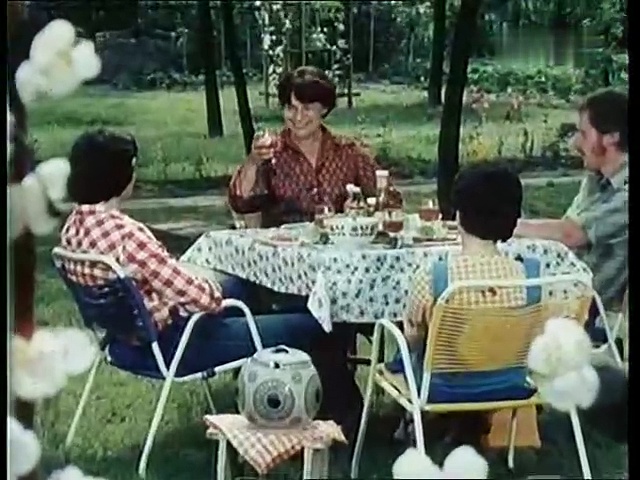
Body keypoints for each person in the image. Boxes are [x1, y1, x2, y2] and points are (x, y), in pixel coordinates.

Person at [59, 129, 327, 377]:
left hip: (122, 341)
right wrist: (210, 289)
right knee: (312, 324)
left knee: (242, 286)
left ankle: (255, 380)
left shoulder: (73, 227)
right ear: (122, 174)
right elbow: (202, 301)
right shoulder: (127, 235)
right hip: (174, 346)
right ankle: (331, 401)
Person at [388, 164, 542, 449]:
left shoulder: (435, 277)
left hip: (444, 385)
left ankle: (419, 425)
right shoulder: (530, 276)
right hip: (510, 381)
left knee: (409, 343)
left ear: (458, 215)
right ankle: (467, 425)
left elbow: (413, 338)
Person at [514, 88, 628, 342]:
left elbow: (572, 234)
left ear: (612, 137)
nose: (575, 143)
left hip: (589, 314)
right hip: (561, 297)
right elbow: (564, 227)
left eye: (584, 134)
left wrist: (501, 225)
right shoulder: (596, 179)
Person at [228, 66, 380, 228]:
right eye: (291, 108)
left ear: (324, 108)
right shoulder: (271, 153)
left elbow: (387, 201)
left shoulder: (349, 152)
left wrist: (364, 210)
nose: (298, 117)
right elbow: (240, 203)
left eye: (307, 108)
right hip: (283, 242)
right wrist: (253, 162)